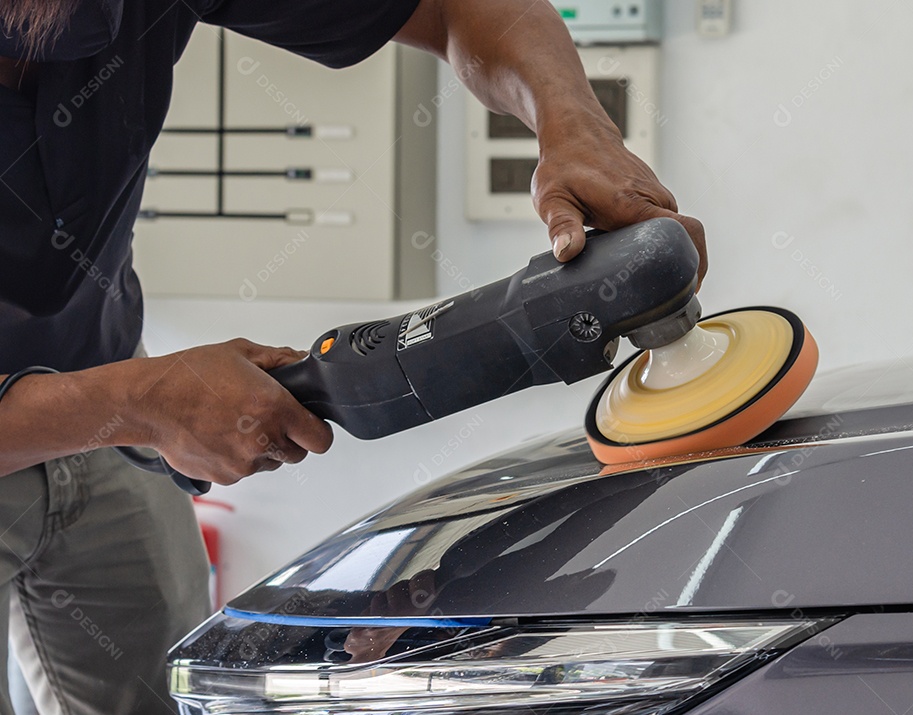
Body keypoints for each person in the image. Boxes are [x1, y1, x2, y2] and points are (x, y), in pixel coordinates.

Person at [0, 0, 707, 712]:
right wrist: (138, 403)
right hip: (87, 407)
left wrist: (573, 126)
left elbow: (454, 8)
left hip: (105, 372)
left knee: (163, 695)